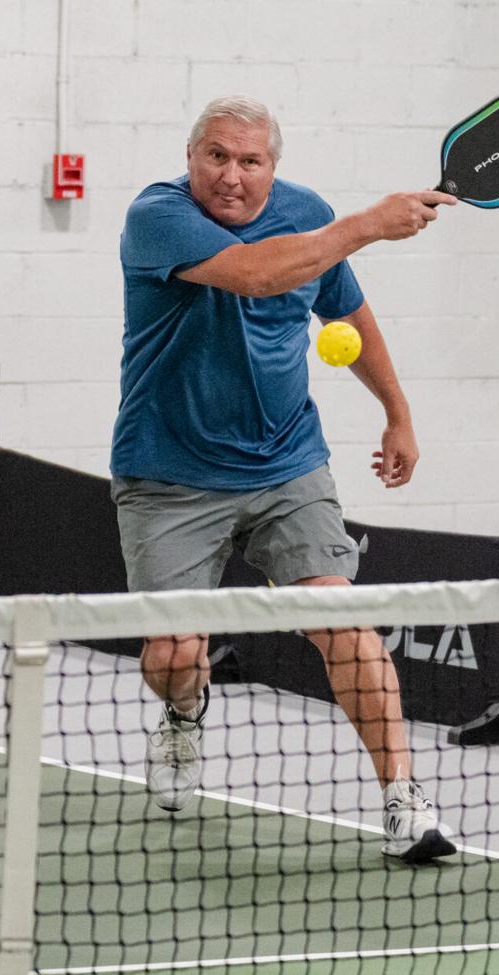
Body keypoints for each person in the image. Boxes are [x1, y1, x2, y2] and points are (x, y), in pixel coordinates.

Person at [109, 94, 459, 863]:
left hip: (285, 463)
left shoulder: (306, 214)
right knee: (172, 656)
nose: (230, 175)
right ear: (190, 157)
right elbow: (258, 276)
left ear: (272, 167)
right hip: (169, 472)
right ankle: (183, 713)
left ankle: (403, 796)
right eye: (216, 156)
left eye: (250, 160)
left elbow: (348, 312)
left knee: (343, 622)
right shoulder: (157, 217)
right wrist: (368, 224)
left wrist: (397, 413)